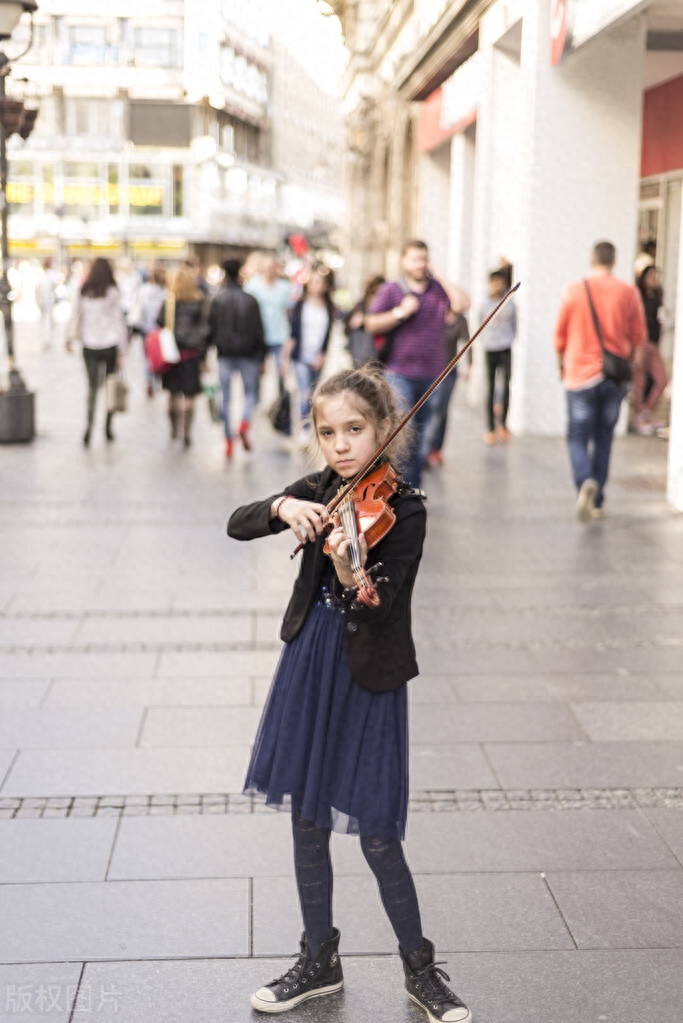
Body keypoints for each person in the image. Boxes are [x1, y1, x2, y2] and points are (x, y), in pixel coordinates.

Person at [228, 366, 472, 1023]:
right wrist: (283, 507)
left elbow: (382, 600)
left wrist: (348, 564)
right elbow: (237, 522)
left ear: (384, 431)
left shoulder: (408, 508)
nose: (340, 445)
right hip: (311, 661)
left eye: (354, 431)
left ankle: (421, 970)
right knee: (306, 816)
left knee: (377, 833)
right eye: (326, 431)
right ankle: (318, 957)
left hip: (369, 671)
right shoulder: (318, 489)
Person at [554, 241, 647, 521]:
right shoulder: (628, 292)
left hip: (580, 376)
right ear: (614, 260)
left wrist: (562, 366)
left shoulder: (573, 290)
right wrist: (634, 372)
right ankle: (597, 503)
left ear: (591, 259)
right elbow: (639, 340)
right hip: (614, 378)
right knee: (604, 438)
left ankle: (585, 482)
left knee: (577, 437)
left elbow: (559, 337)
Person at [365, 239, 469, 488]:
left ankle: (411, 488)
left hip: (434, 373)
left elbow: (463, 304)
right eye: (414, 259)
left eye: (423, 258)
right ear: (404, 261)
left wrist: (441, 276)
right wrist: (400, 312)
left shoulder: (437, 289)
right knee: (405, 432)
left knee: (424, 436)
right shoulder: (392, 289)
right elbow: (371, 323)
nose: (420, 264)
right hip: (399, 372)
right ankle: (398, 486)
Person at [206, 258, 266, 458]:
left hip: (225, 354)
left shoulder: (217, 299)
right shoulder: (250, 300)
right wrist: (262, 356)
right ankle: (244, 422)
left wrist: (204, 355)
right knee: (250, 394)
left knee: (226, 397)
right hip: (248, 354)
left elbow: (210, 329)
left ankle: (228, 439)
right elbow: (259, 331)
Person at [65, 257, 127, 447]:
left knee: (92, 388)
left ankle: (89, 427)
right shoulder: (112, 292)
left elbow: (74, 315)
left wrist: (67, 339)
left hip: (90, 345)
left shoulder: (84, 291)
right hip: (109, 345)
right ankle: (107, 427)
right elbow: (119, 322)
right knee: (110, 385)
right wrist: (122, 349)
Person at [282, 263, 335, 440]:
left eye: (320, 282)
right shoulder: (300, 305)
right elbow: (292, 334)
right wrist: (285, 359)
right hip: (300, 357)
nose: (317, 285)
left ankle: (312, 425)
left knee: (315, 394)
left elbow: (328, 334)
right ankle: (305, 429)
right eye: (313, 282)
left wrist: (323, 354)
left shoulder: (328, 306)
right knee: (305, 392)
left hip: (317, 357)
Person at [158, 265, 208, 448]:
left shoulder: (168, 301)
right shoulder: (199, 302)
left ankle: (173, 428)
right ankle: (186, 431)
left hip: (171, 354)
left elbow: (159, 323)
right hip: (191, 354)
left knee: (172, 394)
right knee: (188, 396)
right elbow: (204, 330)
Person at [425, 311, 469, 465]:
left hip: (450, 372)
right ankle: (425, 447)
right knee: (432, 410)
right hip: (431, 371)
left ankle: (435, 448)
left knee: (442, 411)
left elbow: (466, 341)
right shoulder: (434, 314)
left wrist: (469, 365)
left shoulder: (460, 319)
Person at [480, 269, 516, 444]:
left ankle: (503, 425)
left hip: (505, 347)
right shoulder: (485, 304)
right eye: (495, 282)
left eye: (501, 282)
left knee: (507, 385)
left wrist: (509, 339)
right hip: (490, 348)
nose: (498, 285)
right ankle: (490, 428)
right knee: (491, 386)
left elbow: (515, 325)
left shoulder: (510, 303)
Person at [244, 253, 293, 374]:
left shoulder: (285, 287)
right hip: (259, 337)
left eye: (271, 268)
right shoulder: (252, 286)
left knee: (281, 373)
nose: (269, 271)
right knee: (257, 373)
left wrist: (289, 338)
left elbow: (289, 312)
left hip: (279, 337)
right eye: (266, 268)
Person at [633, 265, 668, 435]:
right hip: (641, 343)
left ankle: (648, 412)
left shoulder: (657, 296)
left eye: (656, 276)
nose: (654, 279)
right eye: (651, 276)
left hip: (653, 344)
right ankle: (639, 416)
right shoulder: (638, 297)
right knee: (640, 382)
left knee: (661, 380)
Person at [133, 263, 167, 397]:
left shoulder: (144, 290)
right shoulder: (166, 292)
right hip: (160, 329)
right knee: (160, 355)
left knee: (148, 356)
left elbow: (139, 308)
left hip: (146, 328)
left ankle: (148, 379)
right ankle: (157, 379)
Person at [344, 274, 386, 367]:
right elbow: (347, 328)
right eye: (375, 293)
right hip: (362, 359)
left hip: (381, 360)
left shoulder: (387, 311)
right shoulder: (360, 308)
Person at [36, 257, 60, 351]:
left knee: (44, 321)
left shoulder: (41, 275)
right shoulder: (51, 275)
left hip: (43, 300)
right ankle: (47, 340)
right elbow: (55, 285)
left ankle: (46, 340)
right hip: (48, 300)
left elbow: (37, 288)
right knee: (48, 321)